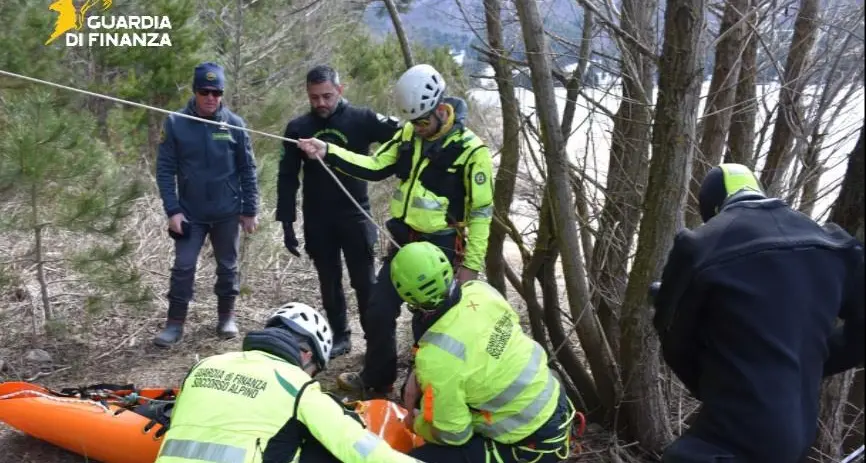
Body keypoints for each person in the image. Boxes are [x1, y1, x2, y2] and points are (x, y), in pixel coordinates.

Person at [296, 63, 495, 396]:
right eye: (412, 122)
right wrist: (329, 151)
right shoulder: (408, 134)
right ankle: (378, 379)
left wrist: (471, 266)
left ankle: (428, 390)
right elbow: (375, 167)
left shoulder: (471, 151)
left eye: (422, 122)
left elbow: (482, 213)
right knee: (378, 309)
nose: (416, 129)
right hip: (404, 242)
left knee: (431, 322)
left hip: (441, 248)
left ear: (440, 109)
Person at [651, 163, 865, 463]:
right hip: (799, 430)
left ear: (713, 207)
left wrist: (721, 379)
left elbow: (676, 345)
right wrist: (801, 361)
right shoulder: (834, 242)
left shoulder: (697, 247)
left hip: (736, 433)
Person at [154, 302, 424, 463]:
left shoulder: (204, 365)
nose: (311, 377)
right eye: (315, 370)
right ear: (306, 355)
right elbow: (358, 448)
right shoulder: (296, 385)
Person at [385, 241, 575, 463]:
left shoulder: (436, 358)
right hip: (553, 402)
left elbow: (455, 435)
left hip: (530, 442)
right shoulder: (481, 291)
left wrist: (416, 424)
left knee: (416, 458)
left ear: (406, 295)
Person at [276, 65, 401, 359]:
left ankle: (374, 338)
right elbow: (287, 177)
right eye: (314, 97)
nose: (321, 103)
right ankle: (340, 336)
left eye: (327, 96)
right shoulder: (298, 128)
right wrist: (286, 222)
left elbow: (403, 135)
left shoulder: (363, 118)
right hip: (318, 217)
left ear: (340, 90)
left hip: (355, 214)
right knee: (328, 281)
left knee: (364, 281)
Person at [154, 62, 260, 347]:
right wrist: (172, 210)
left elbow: (248, 169)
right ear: (195, 91)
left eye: (217, 92)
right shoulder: (175, 123)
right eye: (205, 91)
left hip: (227, 211)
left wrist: (250, 210)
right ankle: (174, 324)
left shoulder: (234, 125)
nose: (211, 97)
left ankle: (226, 317)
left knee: (228, 266)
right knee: (183, 266)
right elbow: (165, 170)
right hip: (190, 213)